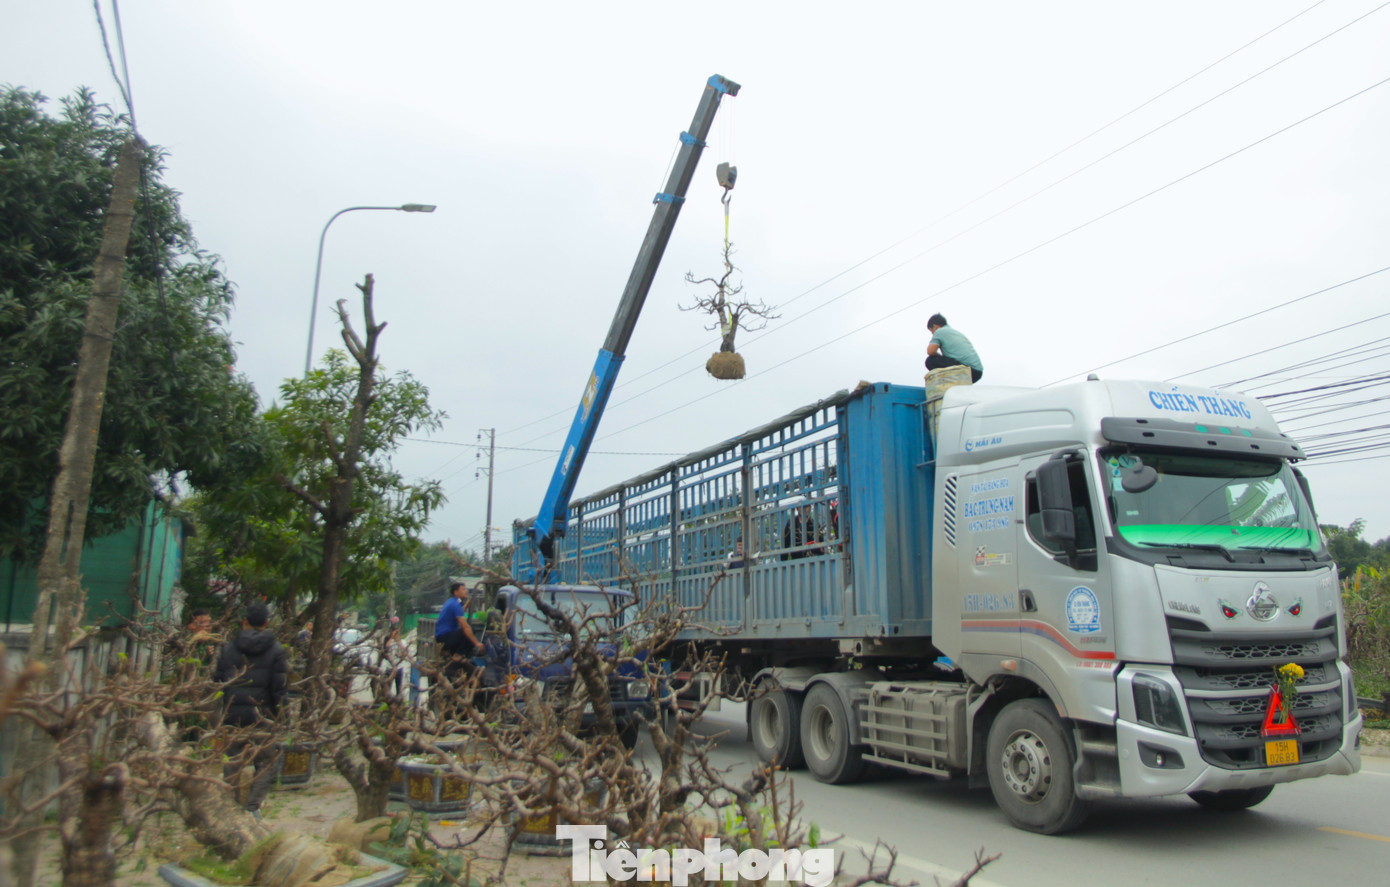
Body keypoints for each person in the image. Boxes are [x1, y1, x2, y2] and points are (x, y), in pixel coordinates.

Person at [213, 601, 289, 819]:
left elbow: (218, 680)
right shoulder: (276, 650)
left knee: (232, 762)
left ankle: (230, 808)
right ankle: (253, 807)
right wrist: (283, 716)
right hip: (262, 716)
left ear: (244, 621)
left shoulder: (228, 648)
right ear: (267, 622)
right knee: (268, 762)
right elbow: (280, 688)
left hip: (232, 714)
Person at [435, 581, 485, 676]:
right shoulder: (455, 605)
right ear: (456, 592)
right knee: (469, 631)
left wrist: (467, 605)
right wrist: (477, 643)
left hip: (442, 636)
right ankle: (457, 655)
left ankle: (454, 654)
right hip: (446, 636)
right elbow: (465, 626)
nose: (466, 591)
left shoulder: (452, 602)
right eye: (463, 589)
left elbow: (459, 612)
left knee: (466, 632)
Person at [925, 313, 983, 382]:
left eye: (931, 331)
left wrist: (938, 356)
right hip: (977, 372)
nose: (932, 333)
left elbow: (930, 351)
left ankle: (944, 382)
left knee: (931, 361)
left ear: (935, 326)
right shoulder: (955, 332)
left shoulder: (939, 332)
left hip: (967, 370)